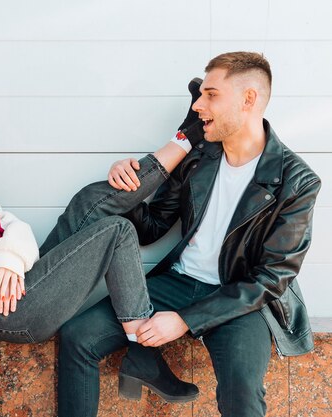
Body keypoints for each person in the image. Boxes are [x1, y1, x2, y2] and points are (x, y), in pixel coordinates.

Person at [0, 95, 203, 412]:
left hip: (17, 285)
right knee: (116, 230)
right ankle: (142, 352)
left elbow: (16, 228)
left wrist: (7, 261)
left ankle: (185, 138)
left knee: (88, 202)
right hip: (0, 310)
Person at [52, 52, 321, 417]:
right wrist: (127, 186)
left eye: (211, 95)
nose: (198, 105)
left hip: (240, 297)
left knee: (242, 391)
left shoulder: (297, 180)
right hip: (178, 282)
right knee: (77, 336)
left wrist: (185, 320)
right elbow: (151, 228)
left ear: (248, 99)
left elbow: (272, 278)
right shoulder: (199, 157)